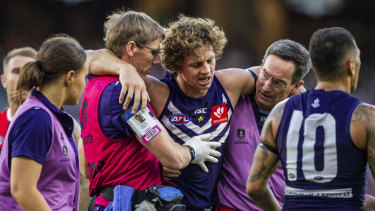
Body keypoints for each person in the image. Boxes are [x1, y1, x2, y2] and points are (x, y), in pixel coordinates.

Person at [89, 15, 308, 210]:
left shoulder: (230, 84)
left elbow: (276, 76)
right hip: (168, 204)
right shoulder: (156, 92)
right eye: (196, 64)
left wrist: (299, 93)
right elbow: (87, 57)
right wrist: (125, 69)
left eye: (211, 60)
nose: (206, 70)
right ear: (176, 66)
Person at [80, 10, 222, 211]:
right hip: (128, 203)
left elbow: (86, 168)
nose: (157, 61)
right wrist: (193, 150)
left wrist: (152, 164)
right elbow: (174, 158)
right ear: (131, 48)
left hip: (105, 201)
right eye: (154, 52)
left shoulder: (93, 85)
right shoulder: (126, 93)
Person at [246, 27, 375, 210]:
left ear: (313, 66)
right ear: (351, 65)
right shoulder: (367, 117)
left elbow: (255, 188)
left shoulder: (280, 112)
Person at [217, 39, 310, 211]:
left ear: (296, 86)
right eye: (265, 75)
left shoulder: (306, 120)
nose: (266, 87)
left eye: (278, 82)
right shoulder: (234, 98)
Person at [0, 35, 88, 210]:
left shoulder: (50, 117)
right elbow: (22, 190)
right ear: (70, 77)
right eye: (84, 77)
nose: (84, 84)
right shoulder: (36, 118)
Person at [0, 47, 37, 151]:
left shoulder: (57, 123)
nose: (24, 77)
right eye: (17, 71)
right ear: (4, 81)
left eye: (30, 71)